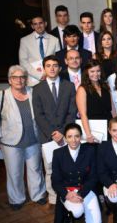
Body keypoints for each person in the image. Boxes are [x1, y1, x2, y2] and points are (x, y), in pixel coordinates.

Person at [0, 65, 47, 211]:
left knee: (35, 169)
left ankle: (38, 194)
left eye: (22, 77)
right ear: (10, 80)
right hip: (10, 142)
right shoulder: (1, 95)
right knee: (14, 172)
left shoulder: (33, 92)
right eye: (15, 77)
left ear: (26, 79)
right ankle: (16, 199)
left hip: (33, 139)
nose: (19, 80)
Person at [32, 56, 77, 205]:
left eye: (55, 65)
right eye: (48, 65)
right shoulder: (37, 89)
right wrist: (53, 133)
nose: (52, 68)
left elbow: (72, 111)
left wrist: (63, 132)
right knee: (50, 168)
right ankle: (53, 197)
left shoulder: (69, 86)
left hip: (67, 135)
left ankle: (69, 194)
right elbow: (38, 115)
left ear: (60, 68)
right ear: (44, 68)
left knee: (68, 166)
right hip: (48, 136)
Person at [51, 123, 101, 223]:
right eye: (70, 136)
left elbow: (93, 177)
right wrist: (66, 194)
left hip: (86, 190)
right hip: (67, 191)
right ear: (65, 138)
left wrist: (81, 194)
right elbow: (55, 180)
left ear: (81, 137)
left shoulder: (90, 151)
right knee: (77, 211)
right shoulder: (58, 153)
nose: (73, 140)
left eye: (77, 136)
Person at [76, 61, 115, 143]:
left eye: (98, 71)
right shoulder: (82, 89)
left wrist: (116, 127)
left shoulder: (105, 86)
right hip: (93, 130)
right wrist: (88, 134)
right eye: (92, 71)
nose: (96, 74)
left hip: (109, 127)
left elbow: (112, 109)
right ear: (87, 73)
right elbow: (83, 114)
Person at [19, 16, 60, 86]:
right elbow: (23, 62)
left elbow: (58, 60)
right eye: (35, 24)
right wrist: (39, 75)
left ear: (45, 24)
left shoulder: (55, 40)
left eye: (40, 23)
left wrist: (50, 74)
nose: (38, 26)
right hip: (33, 81)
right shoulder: (24, 41)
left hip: (52, 80)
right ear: (32, 26)